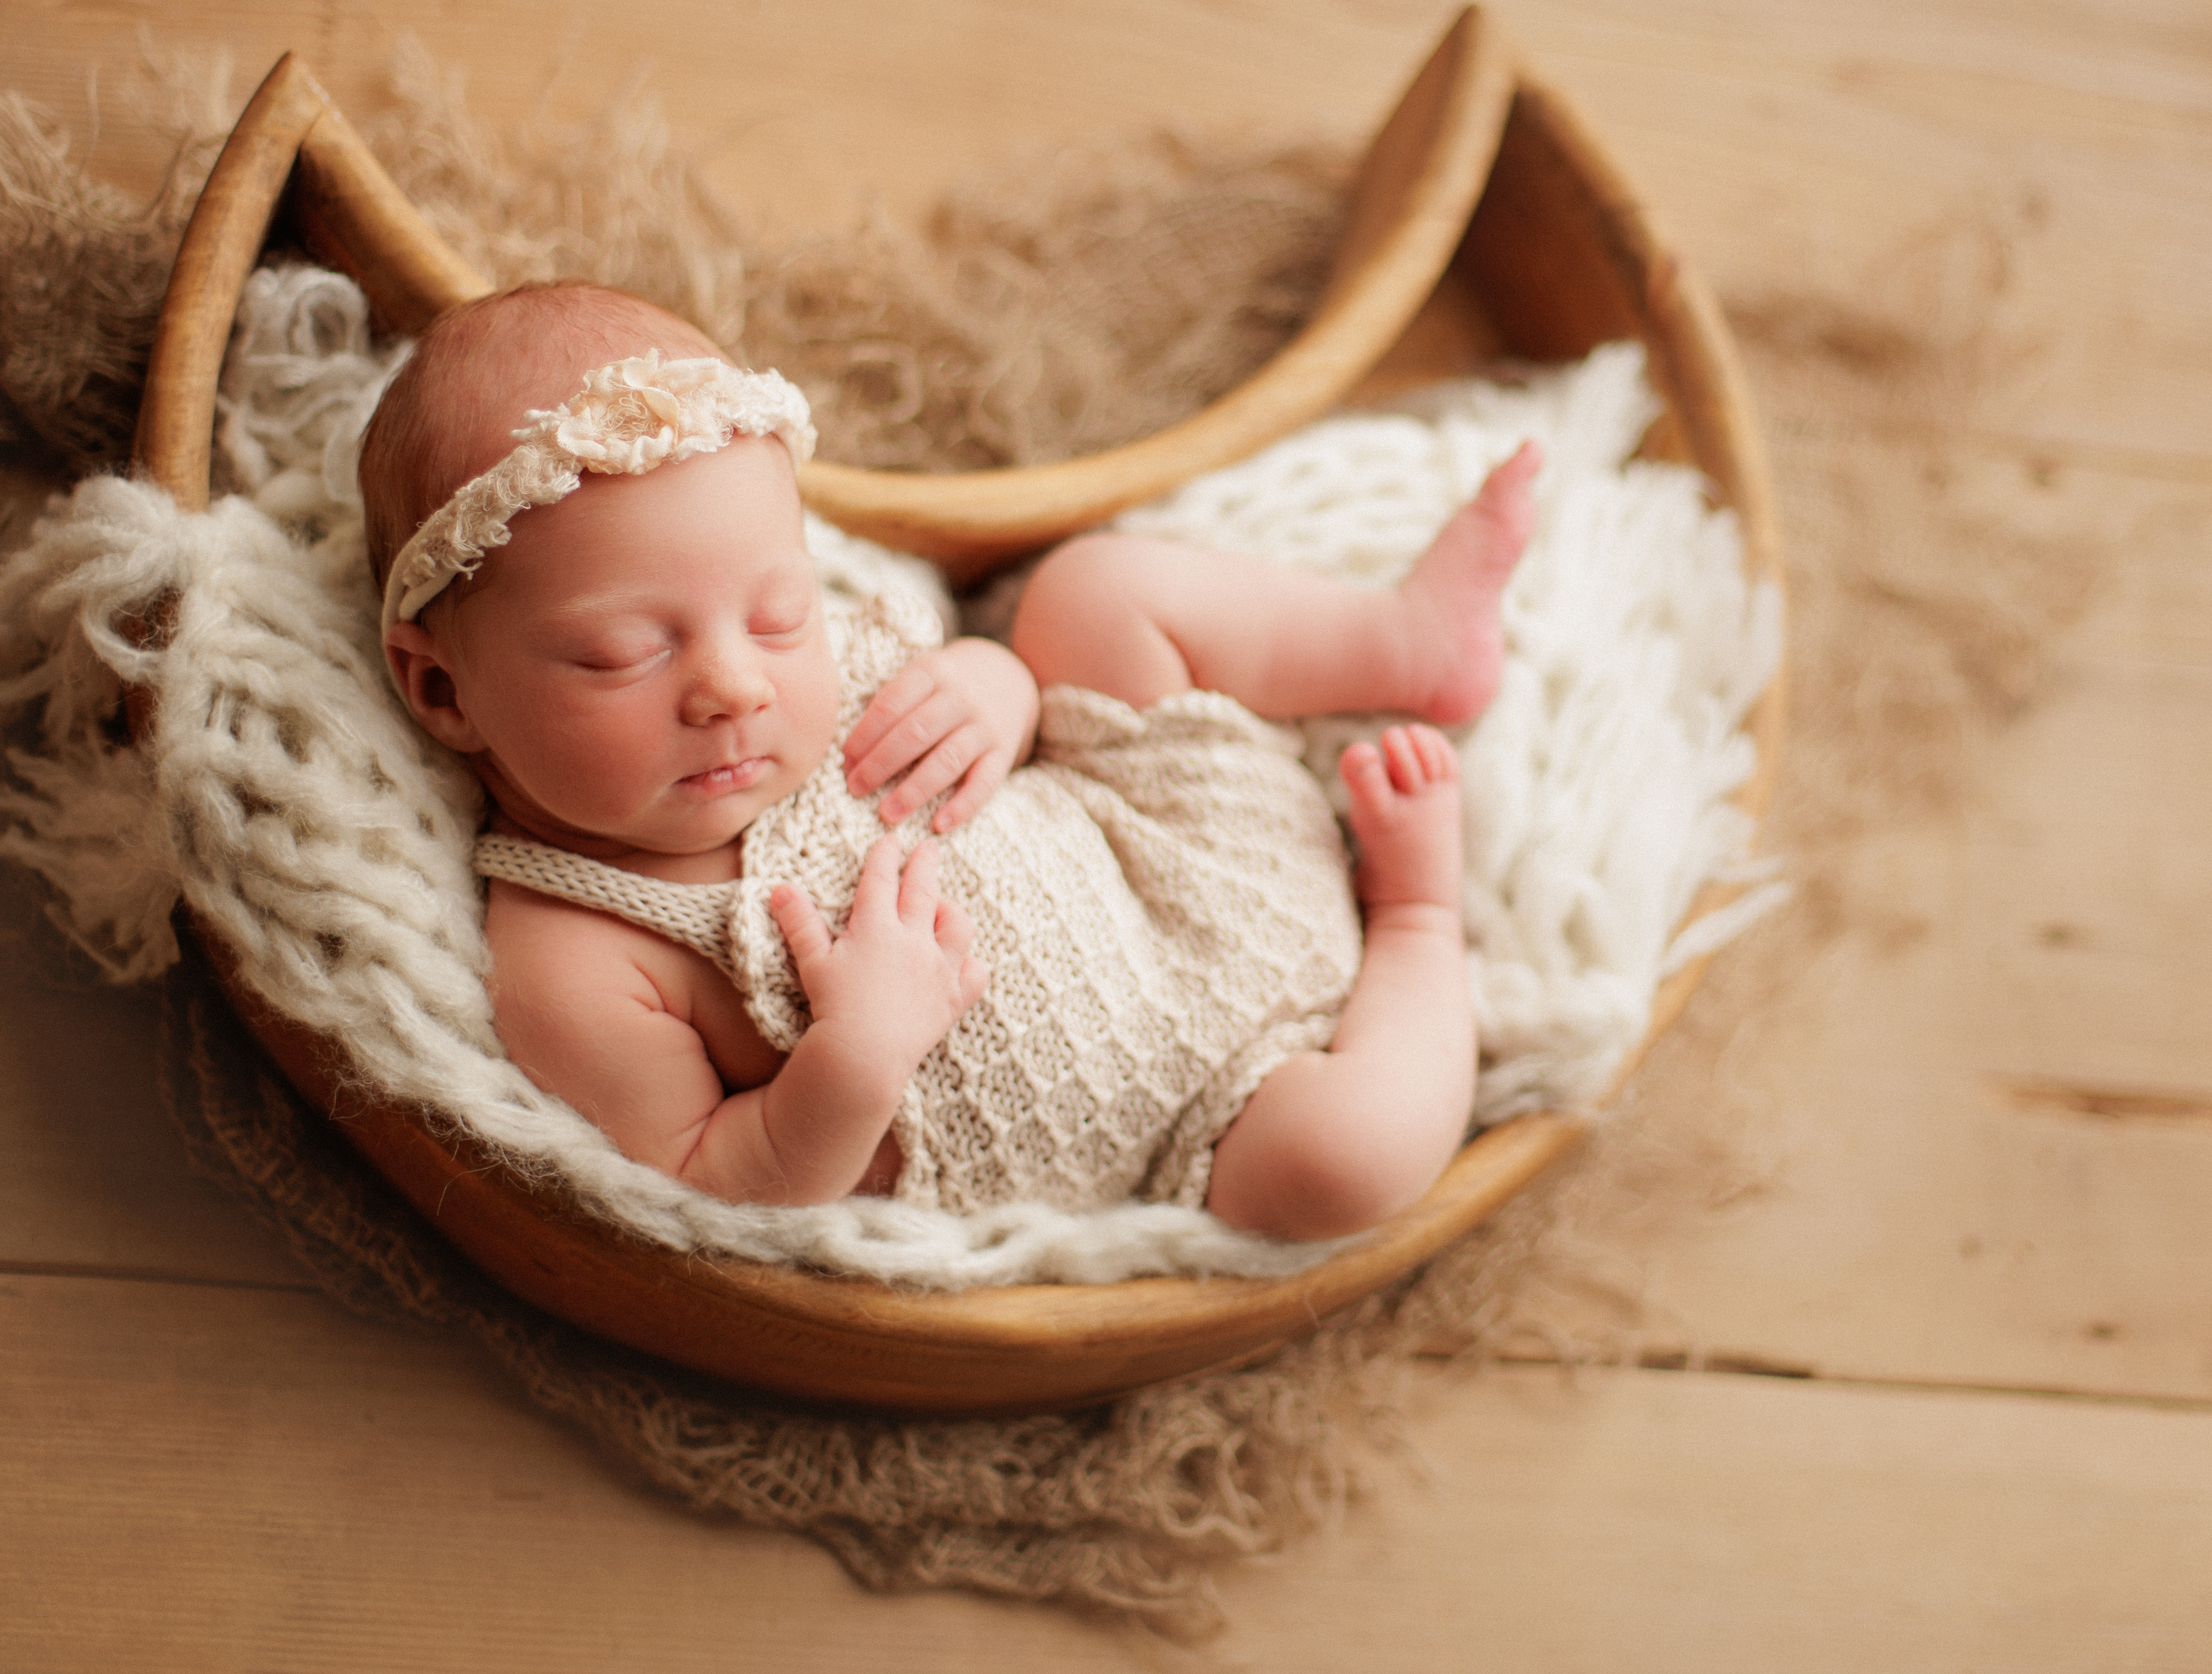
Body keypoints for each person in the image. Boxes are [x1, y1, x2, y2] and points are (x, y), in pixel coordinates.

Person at [362, 282, 1538, 1241]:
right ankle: (1421, 921)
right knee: (1343, 1168)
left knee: (1093, 593)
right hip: (1218, 1099)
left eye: (781, 614)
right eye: (624, 653)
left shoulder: (825, 675)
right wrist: (855, 1052)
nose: (737, 685)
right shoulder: (576, 950)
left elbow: (981, 683)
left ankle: (1404, 642)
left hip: (1159, 833)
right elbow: (706, 1189)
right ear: (443, 688)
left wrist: (1000, 687)